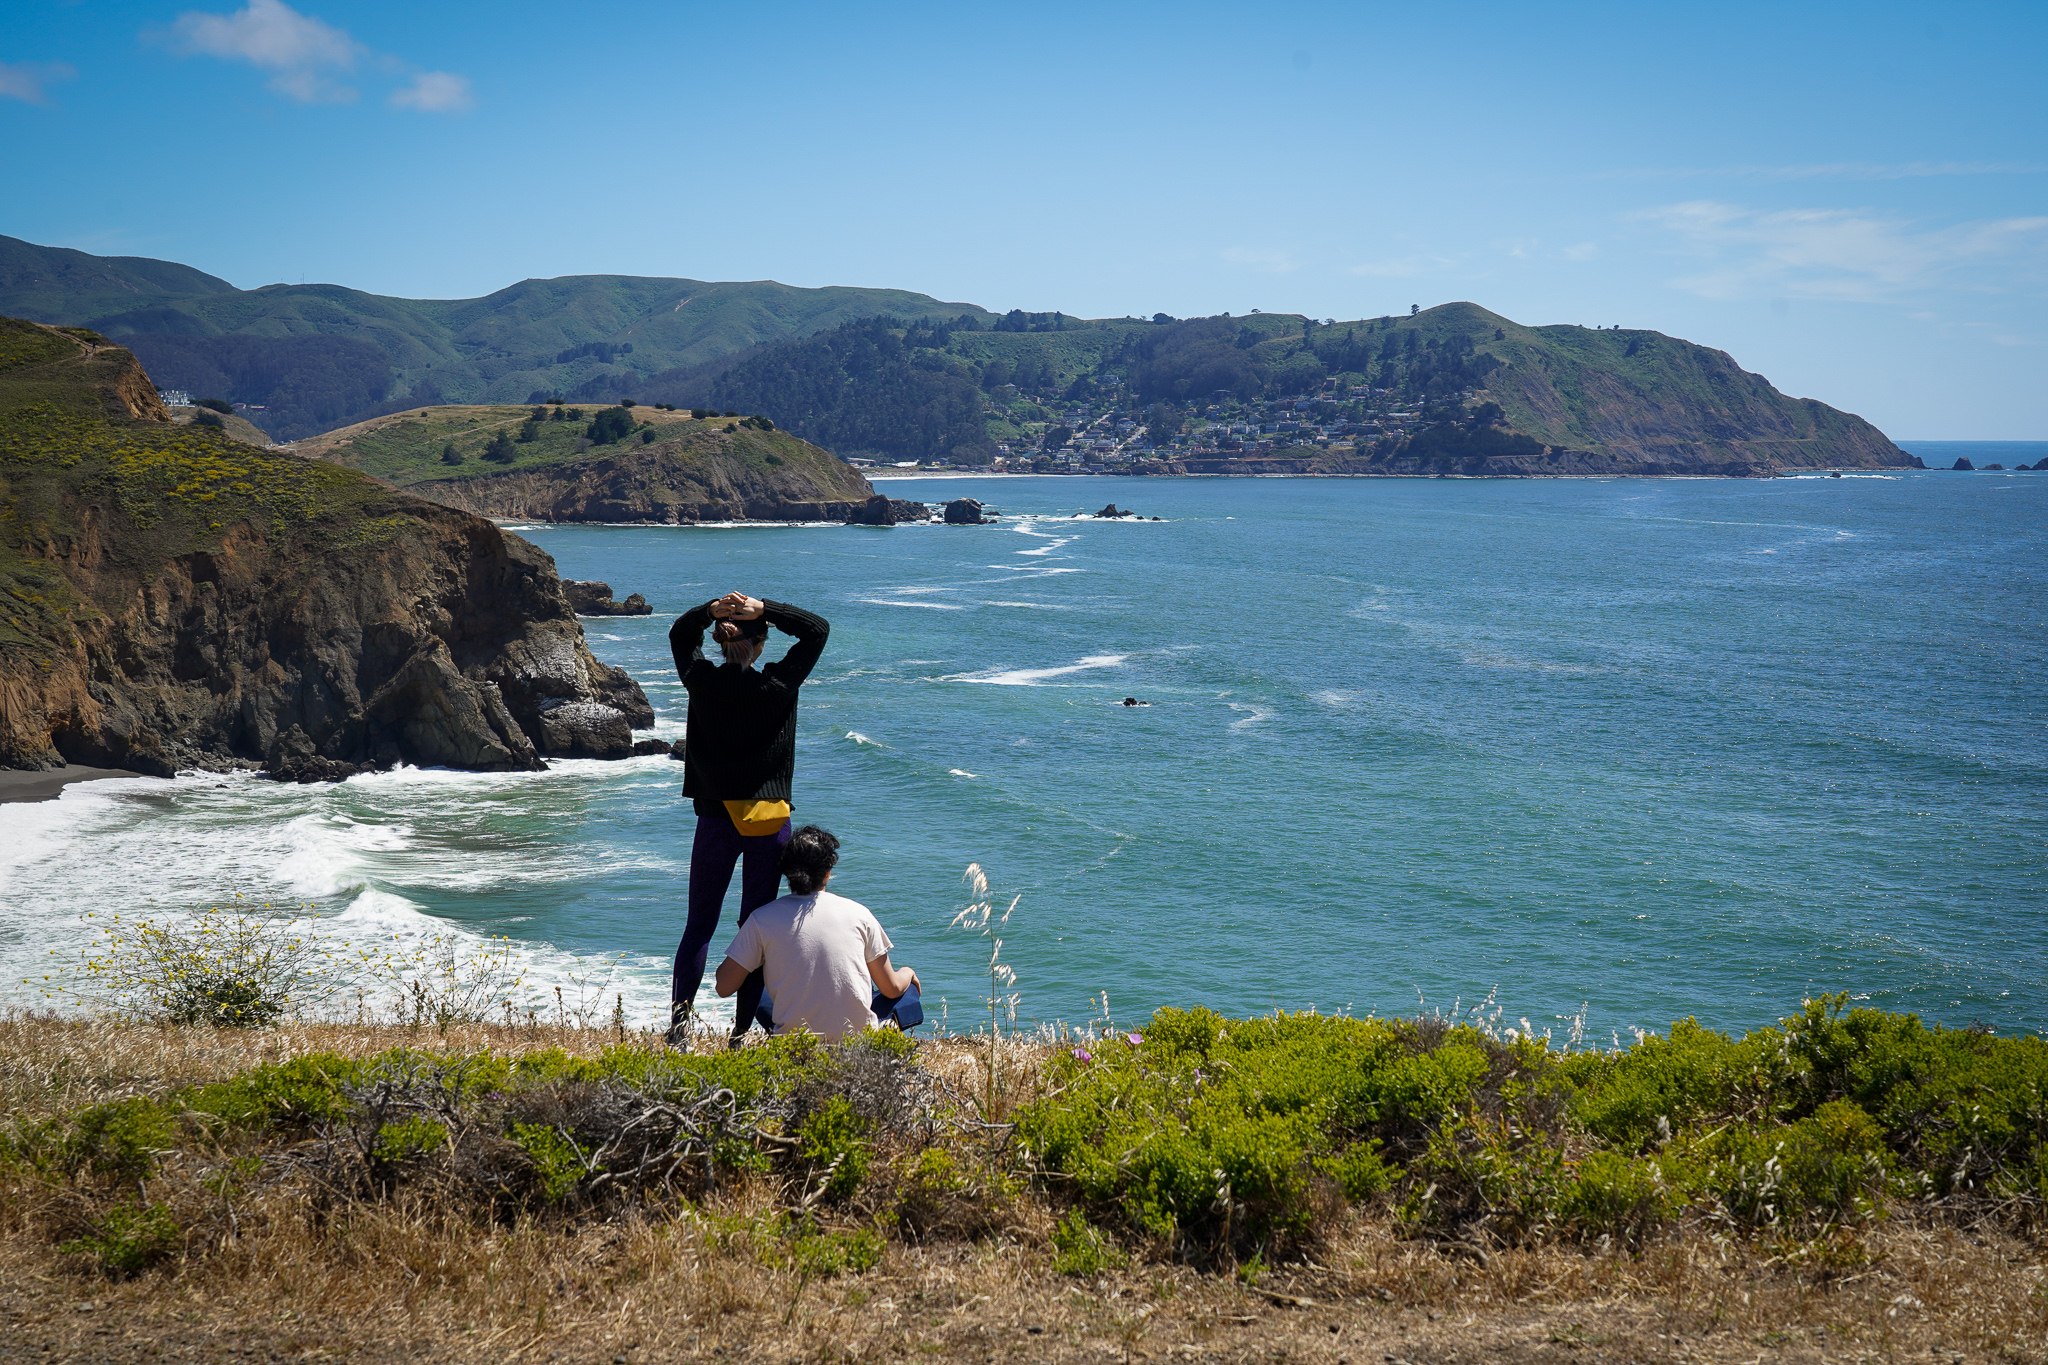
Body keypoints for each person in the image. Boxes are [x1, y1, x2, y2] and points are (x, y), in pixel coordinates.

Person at [668, 589, 829, 1046]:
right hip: (767, 823)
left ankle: (679, 1030)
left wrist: (705, 610)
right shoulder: (776, 686)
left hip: (716, 818)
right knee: (755, 930)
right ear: (761, 645)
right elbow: (817, 630)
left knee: (699, 924)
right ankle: (740, 1034)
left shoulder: (701, 680)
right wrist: (769, 609)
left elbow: (681, 634)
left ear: (720, 642)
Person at [714, 825, 922, 1042]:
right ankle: (884, 1033)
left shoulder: (761, 919)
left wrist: (747, 945)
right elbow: (891, 988)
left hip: (794, 1044)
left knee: (757, 986)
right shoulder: (859, 914)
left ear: (786, 873)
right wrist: (908, 972)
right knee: (907, 993)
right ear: (828, 872)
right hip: (856, 1044)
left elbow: (723, 987)